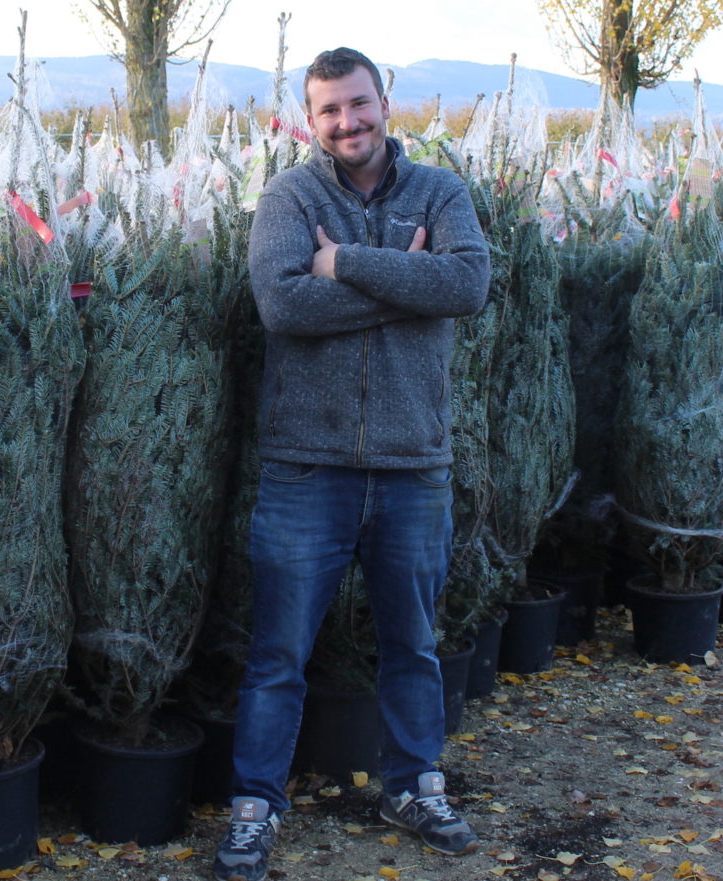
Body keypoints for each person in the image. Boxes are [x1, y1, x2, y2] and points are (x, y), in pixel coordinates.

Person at [211, 47, 491, 881]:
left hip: (413, 465)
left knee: (413, 643)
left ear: (384, 101)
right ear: (311, 118)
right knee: (278, 653)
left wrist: (346, 261)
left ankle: (415, 786)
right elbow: (284, 303)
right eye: (329, 110)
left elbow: (468, 285)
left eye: (359, 104)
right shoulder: (290, 197)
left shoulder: (440, 191)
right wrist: (412, 276)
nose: (348, 123)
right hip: (308, 467)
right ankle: (255, 806)